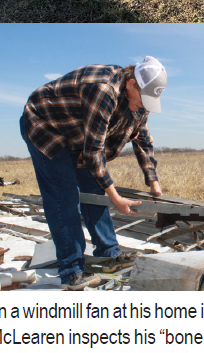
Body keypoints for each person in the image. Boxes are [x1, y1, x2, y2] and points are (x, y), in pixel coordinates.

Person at [19, 57, 167, 291]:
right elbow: (94, 152)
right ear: (131, 84)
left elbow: (143, 140)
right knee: (64, 197)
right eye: (143, 99)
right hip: (46, 126)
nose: (144, 106)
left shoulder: (139, 104)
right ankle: (72, 271)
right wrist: (115, 197)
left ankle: (109, 254)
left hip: (77, 133)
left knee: (95, 189)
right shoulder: (103, 90)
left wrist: (153, 181)